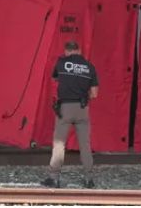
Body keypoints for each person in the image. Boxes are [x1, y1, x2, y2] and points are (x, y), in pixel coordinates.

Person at [42, 41, 99, 189]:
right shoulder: (90, 66)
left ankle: (54, 177)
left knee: (60, 144)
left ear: (66, 50)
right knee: (85, 145)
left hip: (65, 108)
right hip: (82, 109)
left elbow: (55, 78)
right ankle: (89, 179)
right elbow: (94, 94)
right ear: (79, 50)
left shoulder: (61, 63)